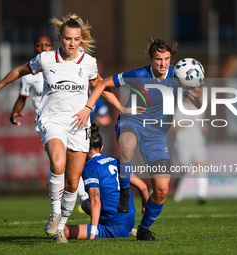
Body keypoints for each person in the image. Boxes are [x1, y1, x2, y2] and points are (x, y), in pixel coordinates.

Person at [0, 13, 106, 243]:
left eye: (76, 39)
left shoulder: (88, 62)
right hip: (52, 120)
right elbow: (19, 71)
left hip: (79, 125)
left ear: (81, 39)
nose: (72, 43)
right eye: (67, 39)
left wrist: (121, 109)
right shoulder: (46, 59)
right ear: (60, 38)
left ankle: (61, 228)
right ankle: (55, 212)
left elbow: (100, 85)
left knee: (73, 184)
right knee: (58, 163)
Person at [86, 38, 204, 241]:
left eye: (166, 58)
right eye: (158, 59)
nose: (163, 63)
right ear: (150, 58)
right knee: (127, 145)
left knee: (161, 190)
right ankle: (124, 191)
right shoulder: (138, 75)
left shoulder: (178, 76)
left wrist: (198, 94)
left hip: (156, 134)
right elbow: (102, 83)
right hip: (131, 121)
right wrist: (97, 107)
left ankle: (143, 229)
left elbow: (197, 103)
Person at [8, 33, 89, 231]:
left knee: (72, 171)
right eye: (39, 45)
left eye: (46, 45)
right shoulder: (33, 72)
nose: (43, 48)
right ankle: (72, 203)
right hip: (48, 122)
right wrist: (16, 111)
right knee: (59, 162)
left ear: (53, 46)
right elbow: (22, 97)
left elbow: (88, 87)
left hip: (73, 123)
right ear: (34, 47)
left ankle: (81, 205)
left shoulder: (66, 65)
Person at [63, 124, 148, 240]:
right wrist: (144, 208)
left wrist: (93, 233)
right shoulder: (114, 161)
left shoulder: (90, 167)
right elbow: (143, 187)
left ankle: (102, 228)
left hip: (115, 226)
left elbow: (95, 200)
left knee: (62, 231)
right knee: (84, 204)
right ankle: (127, 230)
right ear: (101, 148)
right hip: (129, 220)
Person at [172, 98, 208, 204]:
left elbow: (202, 125)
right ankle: (177, 190)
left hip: (198, 142)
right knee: (184, 169)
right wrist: (186, 123)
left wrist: (203, 127)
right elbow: (173, 125)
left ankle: (202, 194)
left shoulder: (198, 109)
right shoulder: (180, 108)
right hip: (183, 143)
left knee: (201, 165)